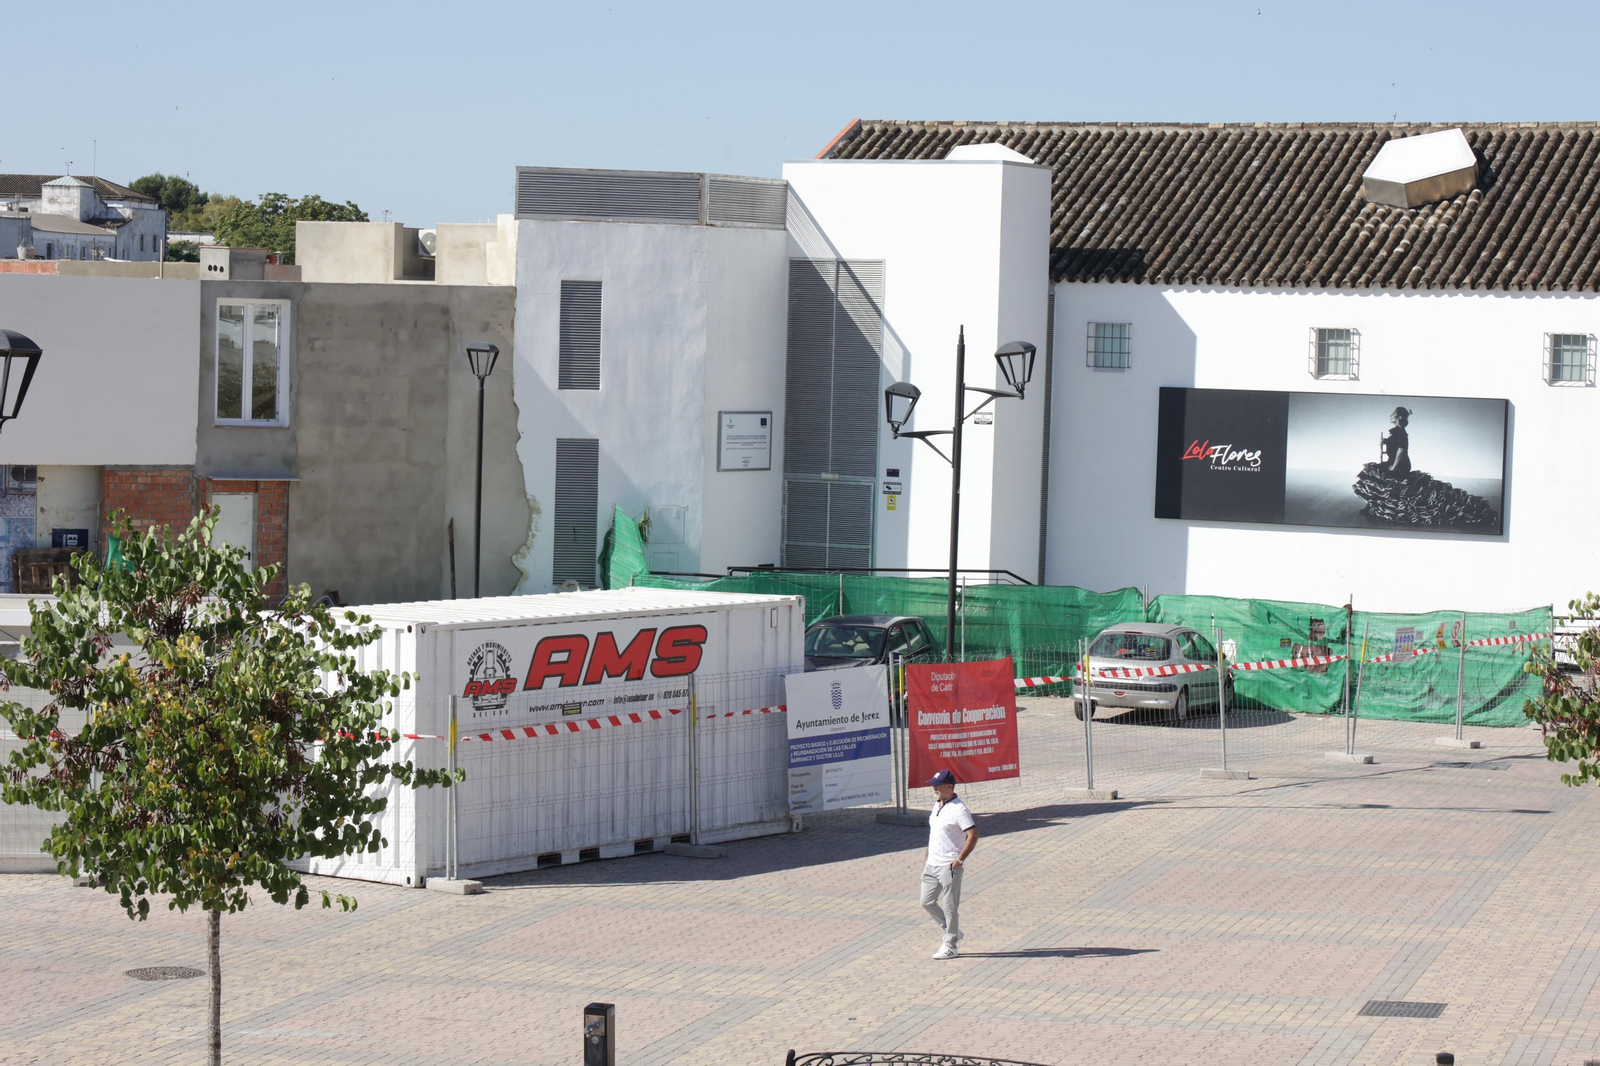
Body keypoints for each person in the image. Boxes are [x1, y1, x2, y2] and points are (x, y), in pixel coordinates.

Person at [921, 769, 979, 960]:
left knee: (950, 906)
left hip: (949, 865)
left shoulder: (959, 809)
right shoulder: (937, 804)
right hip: (932, 864)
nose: (934, 788)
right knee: (926, 901)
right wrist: (927, 856)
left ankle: (951, 945)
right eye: (933, 785)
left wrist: (959, 860)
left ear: (950, 786)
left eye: (937, 786)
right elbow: (934, 834)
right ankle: (951, 930)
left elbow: (973, 835)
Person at [1380, 406, 1412, 478]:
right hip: (1392, 462)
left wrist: (1394, 467)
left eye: (1393, 414)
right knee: (1370, 468)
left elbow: (1402, 450)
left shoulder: (1400, 432)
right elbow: (1395, 443)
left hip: (1400, 466)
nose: (1390, 416)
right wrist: (1385, 441)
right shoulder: (1396, 432)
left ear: (1399, 417)